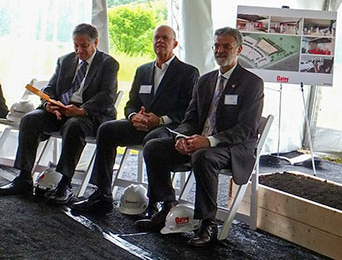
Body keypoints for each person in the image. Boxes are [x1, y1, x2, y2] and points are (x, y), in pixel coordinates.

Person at [135, 27, 264, 247]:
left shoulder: (252, 83)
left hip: (232, 147)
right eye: (217, 46)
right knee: (154, 147)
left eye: (226, 46)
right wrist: (181, 137)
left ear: (239, 50)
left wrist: (209, 141)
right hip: (200, 143)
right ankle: (166, 206)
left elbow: (246, 129)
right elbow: (190, 119)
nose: (220, 50)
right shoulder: (205, 81)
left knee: (203, 156)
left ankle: (208, 223)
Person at [71, 25, 199, 213]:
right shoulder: (143, 70)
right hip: (141, 124)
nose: (160, 41)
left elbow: (189, 110)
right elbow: (131, 103)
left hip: (170, 126)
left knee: (152, 140)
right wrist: (133, 117)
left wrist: (160, 120)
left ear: (175, 43)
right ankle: (102, 193)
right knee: (106, 130)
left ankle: (157, 201)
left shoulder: (188, 72)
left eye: (165, 38)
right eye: (156, 38)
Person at [0, 23, 119, 204]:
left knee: (74, 125)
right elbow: (50, 88)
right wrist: (49, 104)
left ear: (96, 43)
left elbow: (106, 96)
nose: (79, 51)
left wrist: (81, 110)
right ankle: (24, 177)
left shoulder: (108, 64)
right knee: (30, 119)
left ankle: (64, 183)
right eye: (76, 46)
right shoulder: (65, 60)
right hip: (61, 110)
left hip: (89, 115)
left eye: (84, 46)